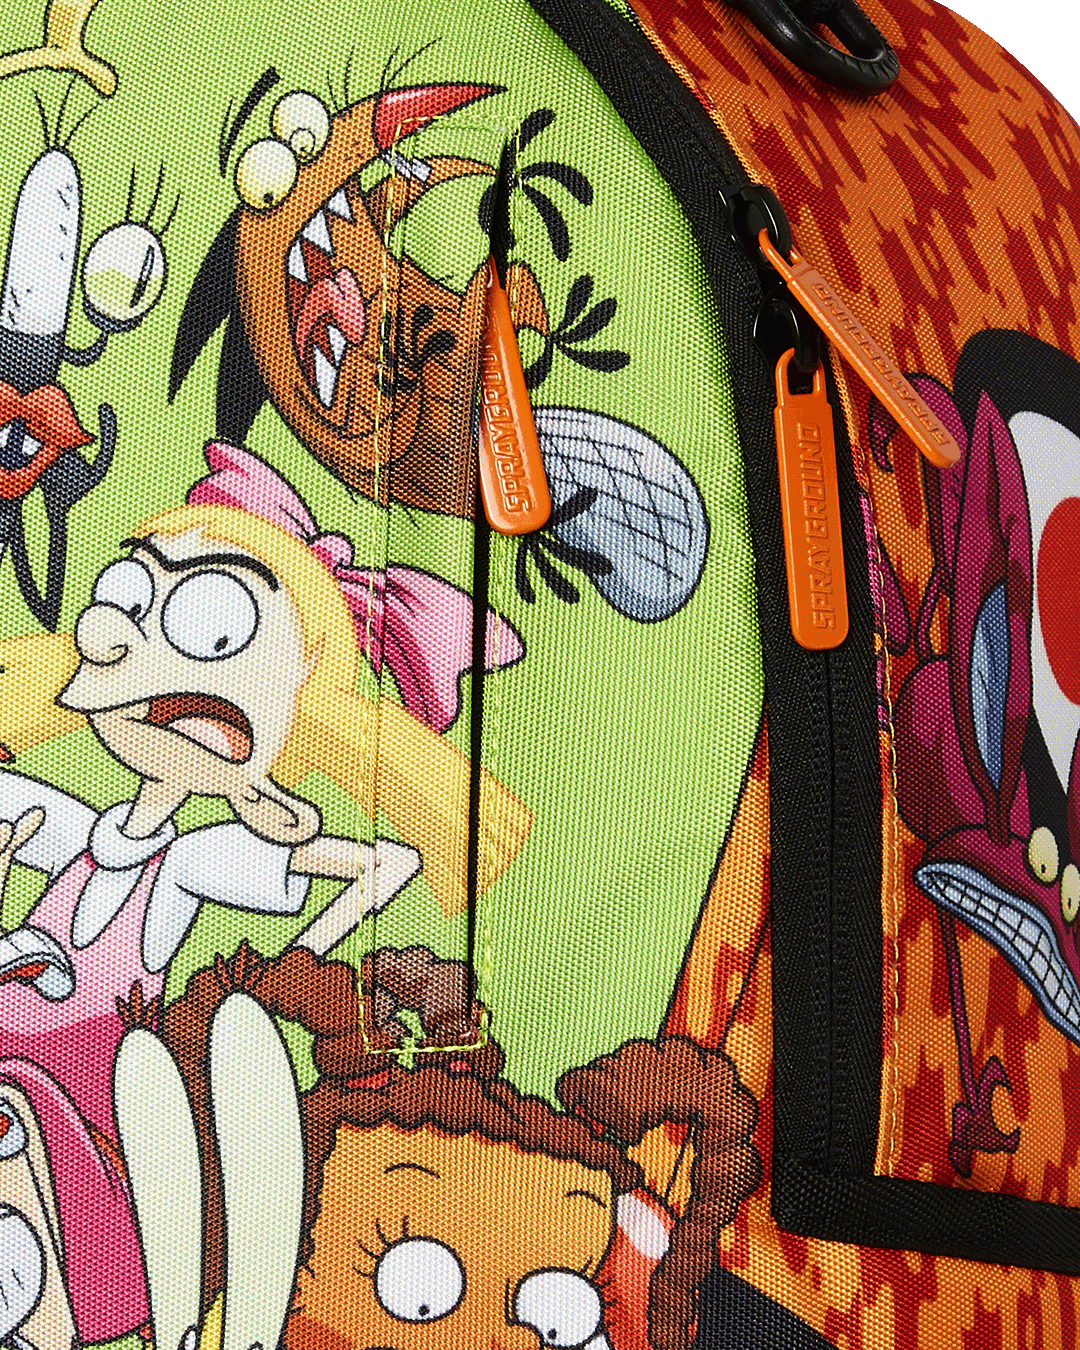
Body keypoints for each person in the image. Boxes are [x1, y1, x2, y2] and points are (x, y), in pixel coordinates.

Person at [0, 441, 531, 1346]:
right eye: (127, 596)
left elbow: (385, 866)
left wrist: (275, 979)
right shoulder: (77, 832)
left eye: (208, 626)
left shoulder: (188, 864)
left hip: (79, 1130)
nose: (111, 639)